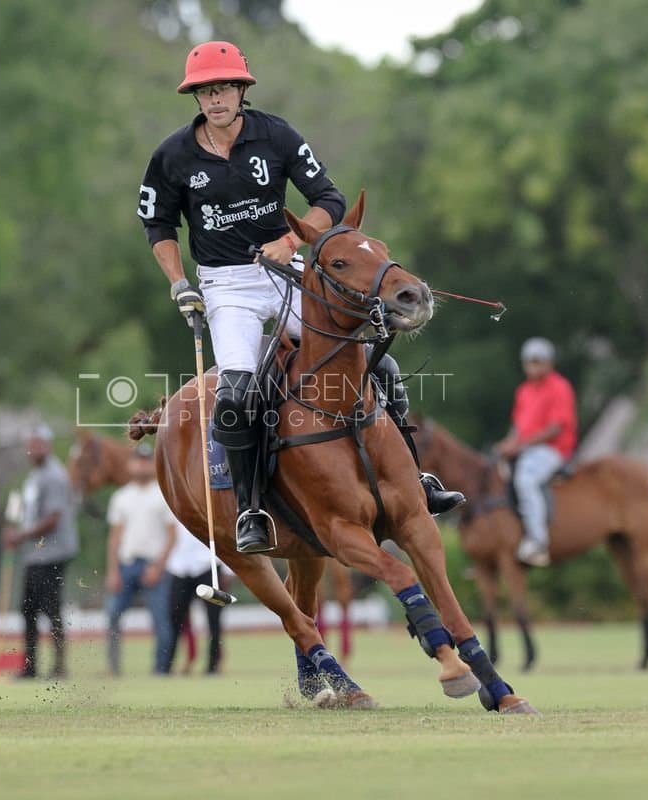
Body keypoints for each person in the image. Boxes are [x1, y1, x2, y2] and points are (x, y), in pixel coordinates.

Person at [137, 40, 462, 554]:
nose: (214, 98)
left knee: (378, 368)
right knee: (236, 396)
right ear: (195, 97)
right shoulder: (172, 156)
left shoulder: (276, 135)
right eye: (204, 91)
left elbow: (329, 200)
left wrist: (291, 240)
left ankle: (415, 479)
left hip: (288, 271)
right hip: (227, 285)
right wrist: (181, 283)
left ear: (242, 89)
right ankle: (251, 510)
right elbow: (158, 225)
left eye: (223, 87)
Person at [3, 424, 79, 679]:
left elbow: (53, 519)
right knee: (28, 610)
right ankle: (30, 666)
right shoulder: (33, 477)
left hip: (52, 553)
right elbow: (26, 513)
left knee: (50, 608)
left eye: (39, 444)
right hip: (34, 554)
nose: (34, 449)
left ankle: (59, 667)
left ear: (48, 446)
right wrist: (14, 530)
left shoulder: (54, 475)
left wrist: (20, 536)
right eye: (31, 444)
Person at [495, 338, 577, 567]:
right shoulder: (524, 391)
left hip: (554, 449)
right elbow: (518, 428)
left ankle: (538, 541)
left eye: (538, 362)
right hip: (527, 448)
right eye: (530, 362)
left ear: (549, 363)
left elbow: (555, 427)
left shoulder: (559, 386)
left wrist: (520, 445)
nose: (533, 366)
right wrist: (506, 445)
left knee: (526, 479)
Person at [105, 443, 176, 676]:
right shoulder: (122, 496)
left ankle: (160, 669)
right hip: (127, 564)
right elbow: (115, 538)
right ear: (130, 464)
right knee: (113, 614)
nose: (142, 465)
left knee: (161, 620)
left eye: (147, 460)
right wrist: (113, 571)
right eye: (138, 460)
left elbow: (172, 536)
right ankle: (113, 668)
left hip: (152, 565)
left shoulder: (163, 494)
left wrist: (158, 567)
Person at [164, 520, 225, 675]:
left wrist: (228, 570)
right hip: (180, 567)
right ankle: (166, 665)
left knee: (214, 619)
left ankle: (213, 665)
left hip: (208, 565)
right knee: (175, 618)